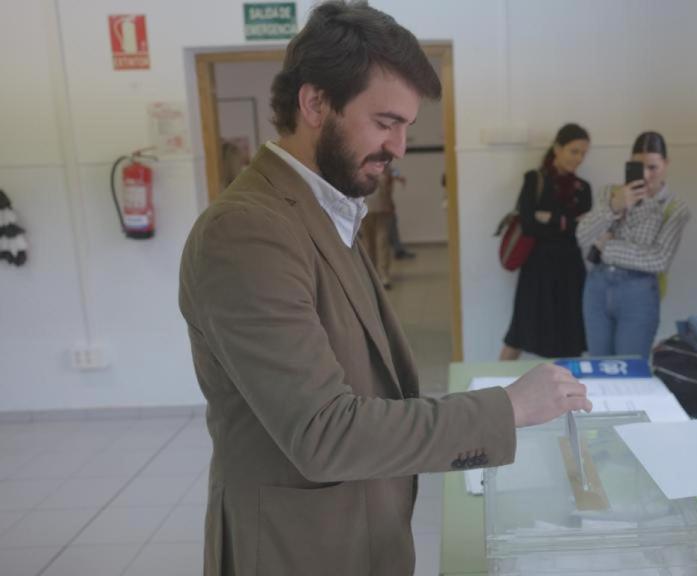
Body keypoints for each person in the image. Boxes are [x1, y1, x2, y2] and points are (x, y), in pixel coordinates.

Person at [178, 3, 591, 575]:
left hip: (362, 531)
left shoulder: (326, 209)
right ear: (316, 102)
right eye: (385, 122)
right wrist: (507, 409)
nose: (399, 147)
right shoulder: (247, 231)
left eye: (406, 128)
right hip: (295, 549)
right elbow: (323, 431)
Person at [577, 131, 691, 357]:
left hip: (638, 292)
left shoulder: (674, 208)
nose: (646, 175)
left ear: (665, 164)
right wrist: (614, 206)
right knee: (598, 367)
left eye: (653, 167)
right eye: (639, 167)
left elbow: (658, 259)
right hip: (596, 286)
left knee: (630, 369)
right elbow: (583, 236)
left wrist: (606, 247)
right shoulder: (611, 193)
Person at [500, 123, 593, 360]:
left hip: (571, 272)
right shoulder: (535, 180)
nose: (579, 158)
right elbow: (529, 224)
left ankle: (568, 396)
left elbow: (584, 230)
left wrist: (551, 218)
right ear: (557, 148)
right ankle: (495, 391)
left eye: (583, 153)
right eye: (574, 151)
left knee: (569, 341)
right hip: (537, 271)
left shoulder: (583, 189)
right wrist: (566, 222)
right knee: (518, 335)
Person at [359, 164, 402, 288]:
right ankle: (382, 276)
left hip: (368, 208)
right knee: (379, 243)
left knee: (371, 243)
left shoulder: (361, 164)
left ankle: (374, 276)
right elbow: (390, 181)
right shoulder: (384, 165)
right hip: (377, 207)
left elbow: (392, 178)